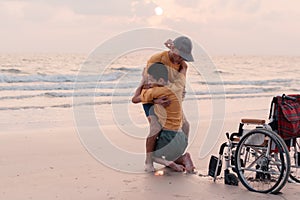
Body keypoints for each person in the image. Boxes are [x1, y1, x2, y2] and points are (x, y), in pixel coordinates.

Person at [133, 36, 194, 172]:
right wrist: (156, 102)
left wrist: (177, 101)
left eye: (184, 57)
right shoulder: (157, 59)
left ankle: (177, 156)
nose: (181, 59)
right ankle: (149, 161)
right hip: (151, 97)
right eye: (180, 55)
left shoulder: (183, 65)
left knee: (185, 125)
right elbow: (148, 84)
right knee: (156, 127)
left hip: (169, 96)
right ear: (172, 49)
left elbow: (181, 86)